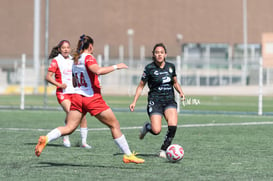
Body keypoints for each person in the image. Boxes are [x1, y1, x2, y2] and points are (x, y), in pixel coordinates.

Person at [35, 34, 145, 164]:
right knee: (114, 125)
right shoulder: (87, 57)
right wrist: (116, 66)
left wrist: (94, 82)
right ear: (91, 46)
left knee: (69, 127)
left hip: (77, 97)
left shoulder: (75, 59)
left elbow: (78, 80)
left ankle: (46, 138)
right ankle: (128, 155)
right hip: (91, 98)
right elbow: (97, 71)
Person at [129, 43, 185, 158]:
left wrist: (181, 92)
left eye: (161, 52)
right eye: (157, 53)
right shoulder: (149, 68)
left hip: (169, 101)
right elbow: (141, 86)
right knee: (156, 130)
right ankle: (147, 127)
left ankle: (163, 150)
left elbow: (175, 82)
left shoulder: (170, 67)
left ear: (165, 54)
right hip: (155, 102)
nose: (159, 55)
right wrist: (134, 101)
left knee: (173, 126)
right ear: (153, 55)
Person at [46, 40, 91, 149]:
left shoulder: (73, 60)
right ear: (59, 50)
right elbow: (48, 77)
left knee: (82, 116)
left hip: (75, 92)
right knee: (72, 113)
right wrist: (59, 85)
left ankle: (84, 142)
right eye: (63, 48)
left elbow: (78, 74)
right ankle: (65, 136)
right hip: (63, 93)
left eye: (67, 47)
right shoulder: (56, 61)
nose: (66, 49)